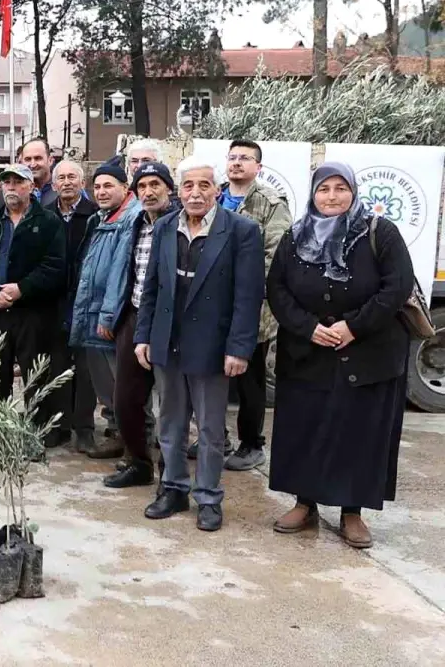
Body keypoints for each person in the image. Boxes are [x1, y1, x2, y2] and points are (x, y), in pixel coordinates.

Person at [267, 163, 413, 549]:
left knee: (359, 432)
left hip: (366, 353)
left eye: (340, 188)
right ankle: (304, 503)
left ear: (353, 192)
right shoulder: (295, 236)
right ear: (313, 194)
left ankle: (352, 512)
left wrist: (354, 327)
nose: (331, 196)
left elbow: (396, 287)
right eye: (324, 189)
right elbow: (277, 289)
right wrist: (308, 327)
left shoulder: (379, 233)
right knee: (305, 428)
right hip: (308, 352)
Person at [134, 156, 263, 532]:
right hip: (167, 342)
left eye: (204, 185)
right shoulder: (164, 227)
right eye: (188, 185)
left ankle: (208, 497)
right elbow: (151, 287)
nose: (195, 193)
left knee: (209, 429)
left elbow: (248, 296)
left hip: (212, 346)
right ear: (179, 191)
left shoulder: (241, 231)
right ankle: (174, 489)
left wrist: (239, 348)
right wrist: (143, 336)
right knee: (170, 424)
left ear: (217, 191)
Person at [218, 139, 291, 471]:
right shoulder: (215, 197)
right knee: (210, 376)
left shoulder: (271, 203)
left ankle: (251, 444)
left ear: (258, 167)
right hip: (212, 306)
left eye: (245, 158)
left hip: (251, 308)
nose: (236, 163)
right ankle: (216, 436)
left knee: (249, 380)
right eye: (232, 157)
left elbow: (275, 254)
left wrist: (240, 287)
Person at [0, 164, 66, 403]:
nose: (12, 187)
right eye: (7, 182)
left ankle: (38, 424)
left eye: (19, 182)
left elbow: (55, 266)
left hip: (34, 313)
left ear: (31, 187)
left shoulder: (49, 222)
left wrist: (22, 288)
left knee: (37, 379)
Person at [104, 162, 174, 489]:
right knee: (125, 399)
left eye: (155, 184)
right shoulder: (134, 224)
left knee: (171, 403)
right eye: (142, 186)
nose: (149, 192)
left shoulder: (180, 223)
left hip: (170, 321)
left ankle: (171, 475)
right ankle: (139, 463)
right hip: (133, 315)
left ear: (169, 188)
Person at [69, 162, 141, 458]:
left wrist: (108, 315)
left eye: (108, 185)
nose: (101, 191)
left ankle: (136, 448)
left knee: (124, 384)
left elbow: (120, 271)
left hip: (111, 316)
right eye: (97, 186)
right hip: (95, 311)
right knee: (107, 384)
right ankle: (119, 433)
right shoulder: (100, 217)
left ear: (125, 188)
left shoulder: (131, 218)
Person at [37, 160, 97, 448]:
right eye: (61, 178)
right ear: (53, 184)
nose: (67, 182)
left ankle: (84, 428)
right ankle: (58, 425)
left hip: (86, 300)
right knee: (57, 365)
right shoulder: (44, 215)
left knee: (85, 368)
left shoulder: (95, 215)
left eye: (73, 177)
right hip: (53, 301)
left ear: (82, 183)